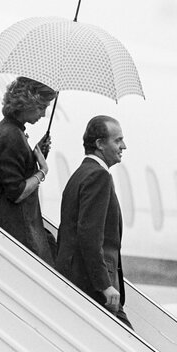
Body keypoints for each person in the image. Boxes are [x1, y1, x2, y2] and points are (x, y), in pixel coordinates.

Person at [56, 115, 131, 328]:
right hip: (92, 286)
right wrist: (104, 285)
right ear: (99, 144)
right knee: (128, 347)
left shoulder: (79, 175)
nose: (123, 146)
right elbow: (89, 235)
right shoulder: (99, 177)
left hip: (76, 278)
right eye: (117, 140)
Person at [0, 77, 58, 266]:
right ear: (27, 103)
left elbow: (13, 173)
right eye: (41, 107)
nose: (43, 114)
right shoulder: (12, 137)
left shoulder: (8, 130)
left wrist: (34, 155)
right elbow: (16, 193)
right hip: (18, 234)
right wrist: (42, 172)